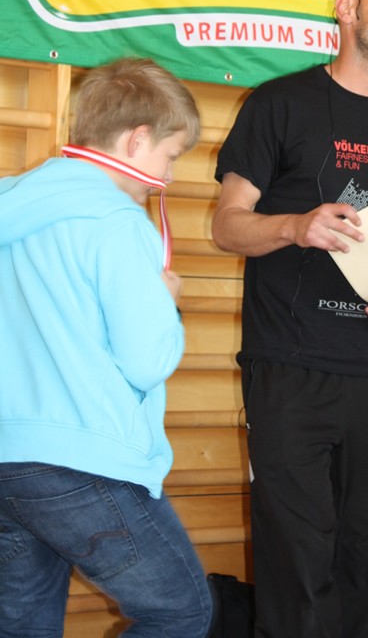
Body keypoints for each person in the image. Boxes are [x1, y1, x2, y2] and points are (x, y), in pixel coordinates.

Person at [211, 0, 368, 638]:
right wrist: (294, 226)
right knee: (297, 559)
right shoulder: (278, 103)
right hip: (289, 368)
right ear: (347, 9)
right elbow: (226, 226)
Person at [0, 57, 213, 638]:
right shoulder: (118, 221)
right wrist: (167, 304)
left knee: (22, 628)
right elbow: (146, 362)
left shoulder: (11, 204)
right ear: (137, 139)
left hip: (8, 458)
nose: (168, 174)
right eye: (171, 155)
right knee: (182, 611)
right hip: (82, 459)